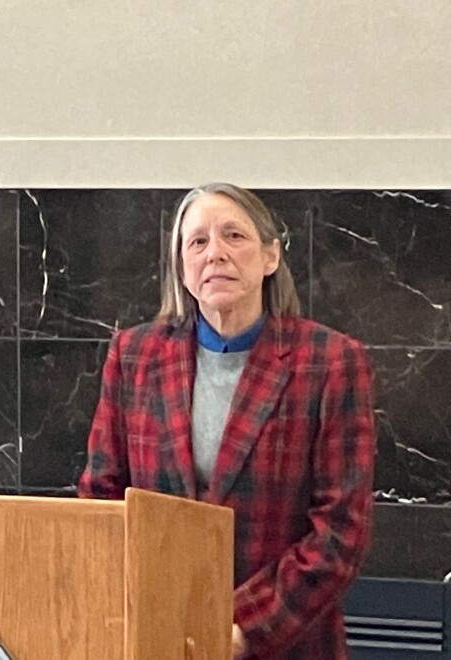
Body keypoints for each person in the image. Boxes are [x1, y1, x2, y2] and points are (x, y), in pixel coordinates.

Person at [78, 183, 375, 659]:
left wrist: (237, 627)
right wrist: (148, 613)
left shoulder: (332, 362)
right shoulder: (134, 356)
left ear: (270, 256)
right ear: (182, 267)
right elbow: (100, 501)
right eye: (197, 241)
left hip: (284, 643)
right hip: (157, 636)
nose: (215, 253)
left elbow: (341, 532)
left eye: (234, 236)